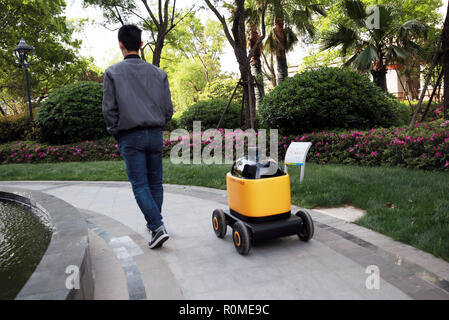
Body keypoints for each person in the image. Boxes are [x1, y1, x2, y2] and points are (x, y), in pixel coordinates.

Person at [102, 24, 173, 249]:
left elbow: (108, 110)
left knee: (140, 184)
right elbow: (168, 109)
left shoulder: (112, 73)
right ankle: (155, 225)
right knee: (155, 182)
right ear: (141, 45)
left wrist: (116, 132)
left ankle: (157, 225)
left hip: (130, 135)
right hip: (155, 134)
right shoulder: (158, 73)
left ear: (120, 45)